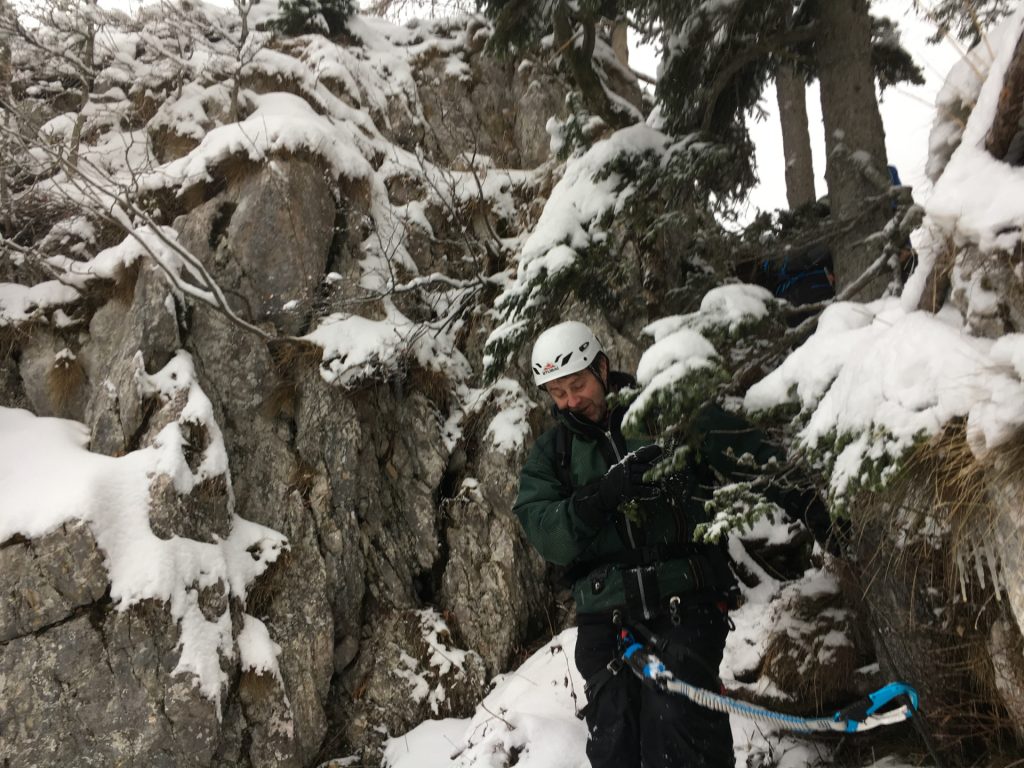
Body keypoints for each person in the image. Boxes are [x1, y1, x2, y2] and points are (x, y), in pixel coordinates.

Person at [513, 320, 832, 768]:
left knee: (678, 723)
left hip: (685, 593)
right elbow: (548, 534)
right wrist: (602, 495)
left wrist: (814, 507)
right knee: (614, 737)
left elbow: (746, 453)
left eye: (577, 385)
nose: (570, 402)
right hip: (606, 611)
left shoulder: (660, 410)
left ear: (602, 368)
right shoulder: (552, 455)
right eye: (558, 393)